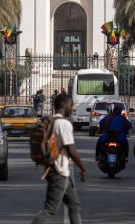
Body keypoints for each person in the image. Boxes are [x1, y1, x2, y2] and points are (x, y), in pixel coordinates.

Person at [32, 93, 87, 224]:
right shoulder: (63, 124)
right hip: (58, 172)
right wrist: (83, 169)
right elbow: (72, 150)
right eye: (71, 105)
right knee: (50, 209)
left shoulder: (53, 121)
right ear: (63, 105)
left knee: (74, 205)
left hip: (60, 172)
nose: (73, 108)